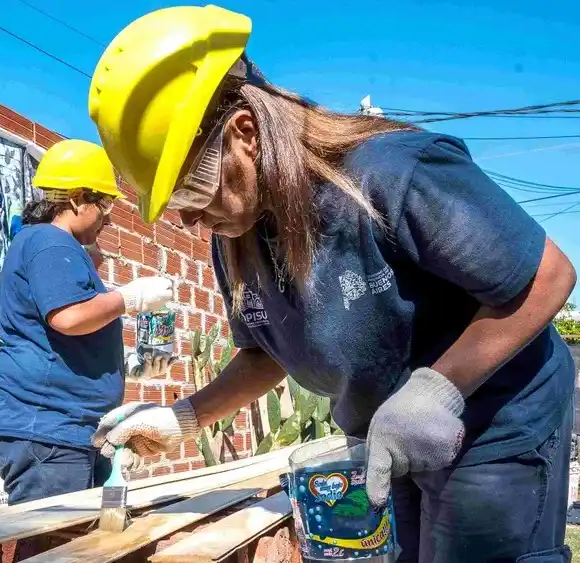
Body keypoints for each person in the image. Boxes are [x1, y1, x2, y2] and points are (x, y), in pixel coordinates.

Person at [86, 6, 577, 562]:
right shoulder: (238, 237)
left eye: (191, 191)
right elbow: (264, 354)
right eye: (174, 207)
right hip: (388, 436)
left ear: (244, 133)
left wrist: (435, 390)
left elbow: (545, 275)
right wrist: (184, 417)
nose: (191, 220)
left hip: (494, 417)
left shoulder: (390, 174)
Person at [0, 138, 173, 557]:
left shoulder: (49, 243)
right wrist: (130, 298)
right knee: (55, 550)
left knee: (77, 544)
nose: (109, 217)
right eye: (105, 205)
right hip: (45, 425)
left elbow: (68, 334)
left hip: (62, 427)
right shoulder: (50, 241)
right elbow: (67, 318)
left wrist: (128, 366)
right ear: (79, 198)